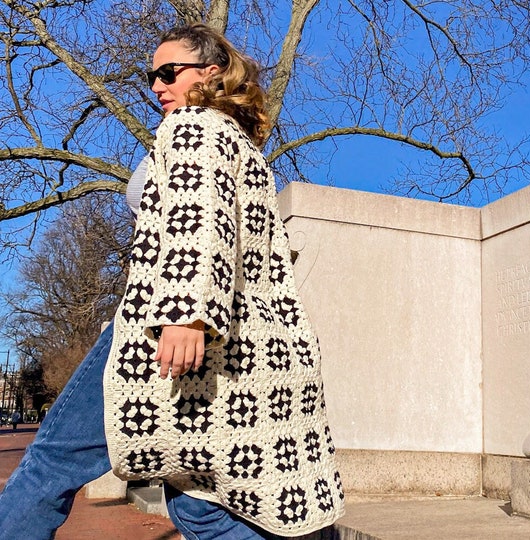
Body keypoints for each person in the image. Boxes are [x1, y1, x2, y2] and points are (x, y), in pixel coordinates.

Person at [0, 24, 344, 539]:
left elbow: (198, 217)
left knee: (51, 464)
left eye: (168, 72)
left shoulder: (193, 125)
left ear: (211, 73)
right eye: (151, 77)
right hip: (225, 341)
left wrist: (185, 312)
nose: (157, 86)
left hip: (158, 331)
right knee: (202, 501)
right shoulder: (240, 142)